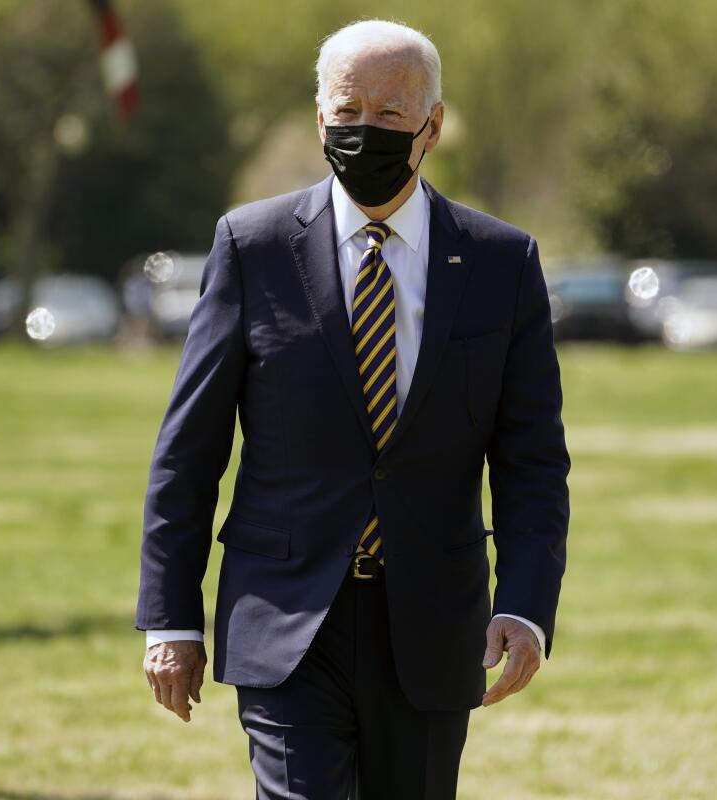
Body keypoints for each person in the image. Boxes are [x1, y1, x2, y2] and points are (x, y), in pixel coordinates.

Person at [135, 19, 569, 800]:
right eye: (347, 110)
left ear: (431, 126)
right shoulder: (252, 246)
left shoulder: (502, 262)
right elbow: (189, 450)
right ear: (320, 115)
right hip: (285, 616)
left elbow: (531, 459)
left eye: (390, 115)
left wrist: (527, 606)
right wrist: (172, 620)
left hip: (433, 623)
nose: (363, 129)